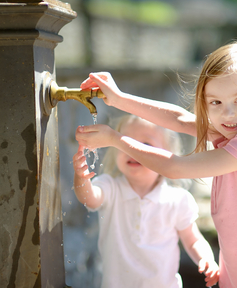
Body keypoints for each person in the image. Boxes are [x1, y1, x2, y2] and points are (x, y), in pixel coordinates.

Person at [76, 40, 237, 288]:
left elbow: (175, 167)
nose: (228, 114)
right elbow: (181, 120)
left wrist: (116, 140)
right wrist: (119, 99)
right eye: (216, 102)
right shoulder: (233, 135)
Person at [72, 114, 220, 288]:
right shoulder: (111, 188)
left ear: (168, 156)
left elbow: (193, 240)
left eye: (146, 144)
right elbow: (89, 198)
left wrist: (206, 258)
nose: (133, 150)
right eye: (126, 143)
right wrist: (81, 178)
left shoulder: (177, 200)